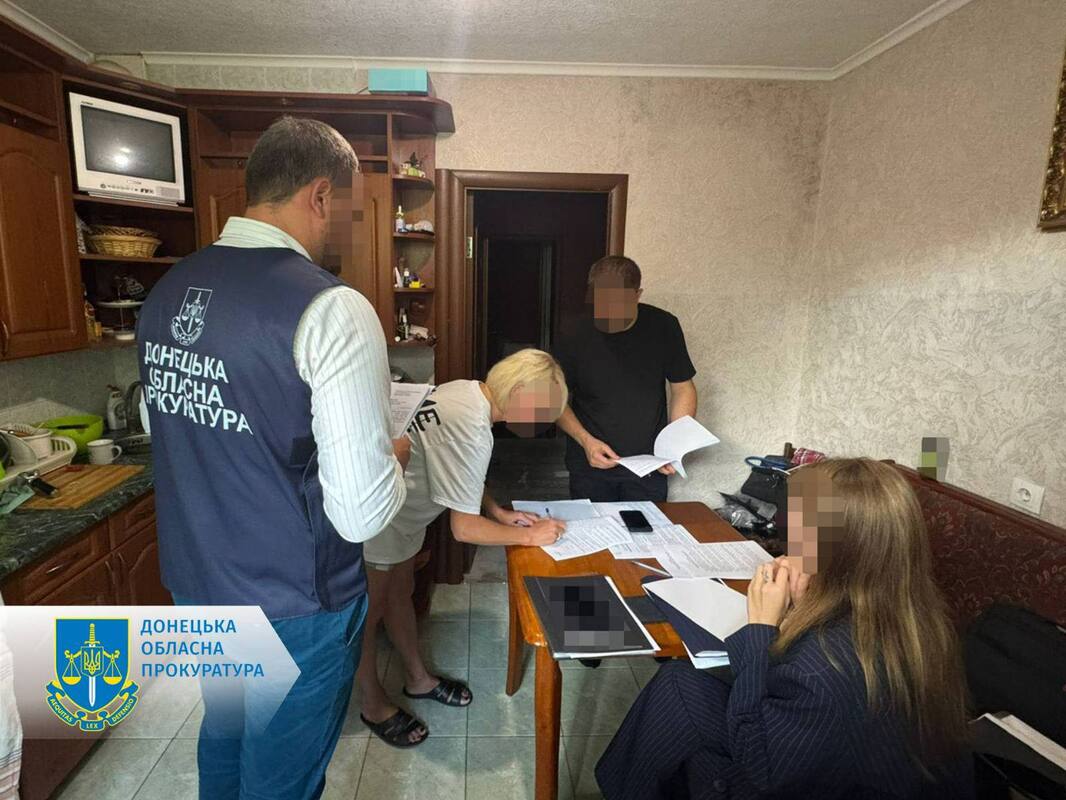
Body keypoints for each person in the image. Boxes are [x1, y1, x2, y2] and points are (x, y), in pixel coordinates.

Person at [137, 116, 409, 800]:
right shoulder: (331, 307)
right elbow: (360, 513)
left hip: (199, 584)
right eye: (349, 211)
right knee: (282, 781)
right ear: (321, 195)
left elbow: (167, 423)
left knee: (225, 740)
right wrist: (394, 455)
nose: (347, 230)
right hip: (294, 602)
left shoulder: (166, 292)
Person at [595, 458, 974, 799]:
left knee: (678, 709)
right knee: (681, 682)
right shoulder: (921, 619)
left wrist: (762, 625)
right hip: (848, 763)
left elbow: (763, 767)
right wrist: (806, 604)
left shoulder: (822, 667)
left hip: (797, 775)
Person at [357, 349, 569, 747]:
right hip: (384, 517)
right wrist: (530, 536)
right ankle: (372, 704)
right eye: (542, 412)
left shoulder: (465, 391)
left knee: (400, 595)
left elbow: (462, 470)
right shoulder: (473, 428)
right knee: (369, 616)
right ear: (519, 392)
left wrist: (497, 511)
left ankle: (418, 679)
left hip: (405, 514)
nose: (542, 424)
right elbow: (464, 528)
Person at [554, 255, 697, 503]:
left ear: (637, 295)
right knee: (592, 527)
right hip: (590, 462)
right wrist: (585, 441)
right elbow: (554, 398)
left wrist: (674, 446)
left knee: (647, 527)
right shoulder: (573, 332)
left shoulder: (664, 326)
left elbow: (682, 388)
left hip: (649, 464)